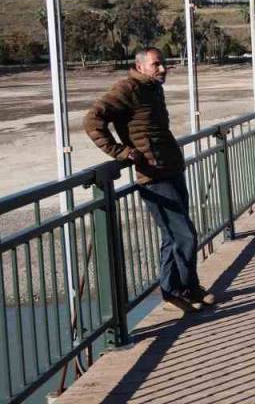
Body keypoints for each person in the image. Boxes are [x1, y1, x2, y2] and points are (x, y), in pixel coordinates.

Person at [84, 47, 215, 314]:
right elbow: (92, 119)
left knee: (172, 236)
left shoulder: (152, 88)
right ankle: (186, 288)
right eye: (156, 64)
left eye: (163, 63)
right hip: (153, 175)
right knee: (185, 235)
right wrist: (120, 152)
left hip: (171, 169)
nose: (163, 68)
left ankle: (173, 291)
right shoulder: (128, 89)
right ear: (140, 66)